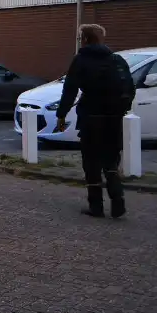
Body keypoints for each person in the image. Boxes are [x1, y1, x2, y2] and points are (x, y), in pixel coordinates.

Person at [53, 24, 136, 218]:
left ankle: (96, 206)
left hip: (91, 118)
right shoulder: (117, 60)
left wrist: (61, 115)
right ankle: (118, 202)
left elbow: (70, 90)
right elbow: (130, 88)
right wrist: (120, 110)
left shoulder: (81, 60)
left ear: (84, 39)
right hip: (114, 119)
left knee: (91, 162)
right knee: (110, 161)